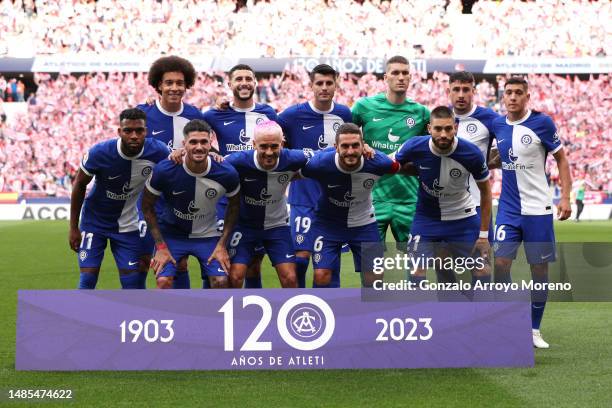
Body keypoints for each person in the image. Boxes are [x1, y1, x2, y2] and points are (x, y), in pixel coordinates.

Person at [491, 76, 572, 349]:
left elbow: (562, 159)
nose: (512, 97)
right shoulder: (497, 124)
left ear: (527, 97)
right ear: (504, 97)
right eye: (508, 93)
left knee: (539, 269)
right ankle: (512, 317)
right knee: (501, 264)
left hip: (538, 209)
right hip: (508, 210)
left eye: (518, 93)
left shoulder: (542, 123)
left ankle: (534, 328)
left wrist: (566, 198)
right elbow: (497, 156)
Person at [69, 108, 170, 289]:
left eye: (139, 131)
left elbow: (178, 170)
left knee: (133, 282)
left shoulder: (159, 152)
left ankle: (133, 317)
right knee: (88, 278)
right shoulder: (100, 153)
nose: (134, 136)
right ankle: (78, 317)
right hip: (94, 222)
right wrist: (73, 227)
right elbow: (79, 185)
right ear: (119, 132)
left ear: (146, 131)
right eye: (128, 131)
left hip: (128, 224)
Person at [393, 106, 492, 286]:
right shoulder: (414, 146)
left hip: (463, 217)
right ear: (429, 128)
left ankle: (482, 313)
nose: (443, 134)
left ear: (455, 127)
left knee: (482, 268)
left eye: (448, 128)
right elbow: (391, 163)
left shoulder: (471, 153)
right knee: (416, 269)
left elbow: (486, 192)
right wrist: (368, 152)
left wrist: (484, 236)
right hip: (426, 218)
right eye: (438, 129)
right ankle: (423, 314)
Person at [202, 64, 278, 288]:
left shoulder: (268, 113)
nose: (244, 83)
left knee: (254, 263)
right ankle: (212, 316)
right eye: (239, 79)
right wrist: (217, 158)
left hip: (257, 199)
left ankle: (253, 314)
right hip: (223, 199)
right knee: (217, 260)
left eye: (248, 78)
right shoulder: (215, 114)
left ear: (255, 83)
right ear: (230, 84)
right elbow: (195, 136)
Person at [277, 64, 352, 288]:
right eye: (319, 83)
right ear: (311, 85)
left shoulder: (344, 114)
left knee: (328, 265)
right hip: (303, 197)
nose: (324, 88)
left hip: (334, 200)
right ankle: (298, 309)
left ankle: (330, 312)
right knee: (300, 259)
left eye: (329, 83)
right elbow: (268, 130)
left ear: (336, 84)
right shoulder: (292, 115)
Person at [142, 119, 240, 289]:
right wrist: (160, 246)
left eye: (204, 142)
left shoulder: (226, 172)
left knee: (221, 281)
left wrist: (222, 245)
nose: (199, 147)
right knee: (163, 282)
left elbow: (235, 205)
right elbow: (147, 205)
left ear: (211, 144)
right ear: (184, 144)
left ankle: (208, 316)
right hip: (172, 235)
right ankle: (175, 315)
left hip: (208, 235)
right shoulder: (165, 169)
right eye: (193, 142)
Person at [300, 123, 401, 287]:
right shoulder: (320, 163)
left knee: (375, 278)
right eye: (345, 146)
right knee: (321, 275)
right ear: (336, 148)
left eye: (355, 145)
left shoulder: (378, 161)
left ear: (363, 145)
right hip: (327, 225)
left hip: (364, 224)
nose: (350, 151)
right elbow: (295, 174)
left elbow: (400, 166)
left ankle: (369, 313)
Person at [138, 55, 207, 288]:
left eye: (179, 83)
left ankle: (181, 313)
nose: (174, 88)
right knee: (145, 261)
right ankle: (142, 311)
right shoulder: (143, 115)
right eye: (169, 82)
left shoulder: (195, 115)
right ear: (158, 84)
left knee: (180, 262)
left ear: (186, 84)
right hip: (149, 199)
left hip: (181, 200)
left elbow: (204, 147)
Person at [351, 55, 430, 248]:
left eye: (405, 73)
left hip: (409, 199)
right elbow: (346, 139)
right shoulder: (363, 107)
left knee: (416, 263)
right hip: (371, 199)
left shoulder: (421, 113)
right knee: (371, 265)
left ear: (410, 78)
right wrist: (362, 145)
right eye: (395, 73)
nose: (401, 77)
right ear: (385, 78)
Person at [224, 121, 308, 288]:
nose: (269, 152)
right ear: (253, 144)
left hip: (277, 226)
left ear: (282, 144)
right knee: (235, 276)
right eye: (263, 146)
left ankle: (292, 313)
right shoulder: (237, 161)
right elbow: (210, 165)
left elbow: (326, 156)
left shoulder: (294, 158)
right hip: (244, 227)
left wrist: (364, 149)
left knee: (290, 278)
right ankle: (236, 313)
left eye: (274, 146)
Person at [447, 71, 500, 240]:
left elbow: (508, 148)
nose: (461, 95)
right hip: (446, 204)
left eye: (466, 89)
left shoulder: (489, 118)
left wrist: (483, 164)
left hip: (478, 203)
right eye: (456, 89)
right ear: (449, 91)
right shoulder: (439, 119)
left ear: (473, 91)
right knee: (444, 265)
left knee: (481, 264)